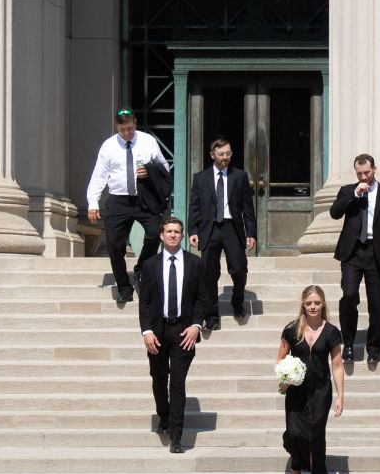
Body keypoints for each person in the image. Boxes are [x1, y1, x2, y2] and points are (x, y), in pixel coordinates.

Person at [136, 217, 209, 453]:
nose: (173, 235)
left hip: (183, 332)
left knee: (177, 383)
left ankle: (176, 436)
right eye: (169, 231)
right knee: (159, 379)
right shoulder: (150, 265)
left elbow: (202, 299)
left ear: (182, 235)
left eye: (177, 231)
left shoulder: (195, 263)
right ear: (161, 235)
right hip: (157, 331)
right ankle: (164, 415)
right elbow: (144, 303)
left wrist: (196, 325)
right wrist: (147, 331)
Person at [86, 108, 170, 305]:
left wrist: (149, 171)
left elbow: (164, 168)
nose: (126, 133)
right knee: (114, 244)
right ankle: (124, 286)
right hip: (119, 200)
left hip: (144, 198)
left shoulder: (148, 141)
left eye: (130, 129)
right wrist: (93, 203)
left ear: (135, 122)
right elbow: (99, 176)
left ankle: (142, 267)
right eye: (122, 130)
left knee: (155, 233)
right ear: (117, 127)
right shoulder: (108, 146)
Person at [329, 153, 380, 370]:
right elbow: (334, 213)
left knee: (377, 304)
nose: (363, 177)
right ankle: (349, 344)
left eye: (367, 173)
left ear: (374, 170)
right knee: (349, 294)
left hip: (376, 253)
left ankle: (374, 348)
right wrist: (354, 194)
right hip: (352, 253)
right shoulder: (347, 191)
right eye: (359, 173)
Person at [278, 284, 345, 474]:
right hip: (296, 392)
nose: (313, 307)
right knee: (295, 434)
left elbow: (337, 365)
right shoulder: (291, 330)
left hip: (320, 391)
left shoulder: (332, 332)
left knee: (316, 435)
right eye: (309, 303)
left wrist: (340, 396)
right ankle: (297, 461)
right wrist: (285, 379)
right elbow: (280, 359)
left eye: (317, 303)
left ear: (323, 304)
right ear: (303, 305)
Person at [187, 137, 256, 333]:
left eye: (228, 153)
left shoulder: (240, 176)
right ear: (212, 155)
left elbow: (247, 208)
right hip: (209, 229)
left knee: (239, 269)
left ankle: (237, 302)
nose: (225, 157)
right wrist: (193, 230)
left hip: (232, 228)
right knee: (208, 273)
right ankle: (211, 315)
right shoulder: (200, 178)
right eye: (221, 154)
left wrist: (251, 232)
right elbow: (195, 207)